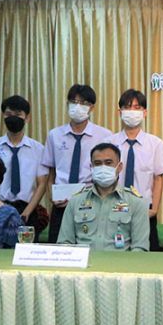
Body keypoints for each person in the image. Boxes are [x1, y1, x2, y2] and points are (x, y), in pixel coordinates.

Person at [43, 84, 114, 243]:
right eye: (74, 102)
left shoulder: (104, 136)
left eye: (83, 103)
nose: (78, 106)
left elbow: (109, 172)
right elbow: (50, 172)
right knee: (58, 247)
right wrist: (52, 196)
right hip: (61, 204)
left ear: (92, 108)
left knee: (89, 247)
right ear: (67, 104)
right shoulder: (55, 135)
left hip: (91, 202)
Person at [106, 89, 163, 251]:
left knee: (147, 256)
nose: (132, 111)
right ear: (119, 112)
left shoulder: (155, 143)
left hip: (144, 209)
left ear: (144, 113)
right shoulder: (109, 143)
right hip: (114, 208)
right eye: (127, 107)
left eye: (137, 107)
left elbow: (158, 179)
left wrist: (154, 209)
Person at [58, 143, 149, 251]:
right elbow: (65, 243)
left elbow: (140, 248)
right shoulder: (75, 201)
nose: (103, 167)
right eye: (97, 163)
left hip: (120, 262)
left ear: (119, 167)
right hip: (85, 261)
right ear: (91, 168)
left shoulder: (136, 203)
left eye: (108, 163)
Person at [0, 95, 48, 239]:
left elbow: (42, 184)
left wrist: (27, 212)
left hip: (28, 208)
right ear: (3, 116)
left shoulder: (38, 149)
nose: (13, 118)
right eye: (9, 114)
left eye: (18, 114)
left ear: (27, 118)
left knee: (26, 250)